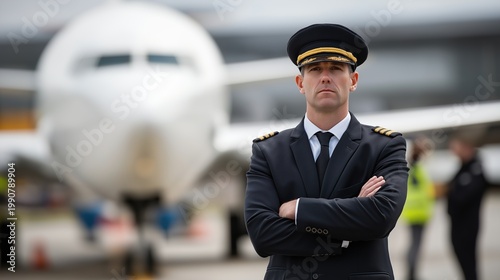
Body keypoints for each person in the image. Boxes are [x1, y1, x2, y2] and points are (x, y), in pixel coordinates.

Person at [244, 23, 409, 280]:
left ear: (353, 80)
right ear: (300, 83)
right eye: (314, 69)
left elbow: (381, 217)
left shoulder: (384, 146)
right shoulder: (268, 151)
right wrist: (345, 232)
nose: (325, 77)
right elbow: (262, 234)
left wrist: (298, 209)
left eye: (335, 68)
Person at [446, 135, 488, 280]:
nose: (455, 153)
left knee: (468, 261)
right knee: (462, 259)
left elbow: (461, 196)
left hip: (467, 225)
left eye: (457, 148)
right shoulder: (464, 167)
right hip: (458, 224)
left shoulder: (475, 168)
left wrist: (451, 192)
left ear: (467, 148)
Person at [401, 137, 435, 280]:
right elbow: (425, 189)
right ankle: (411, 274)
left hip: (413, 211)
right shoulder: (417, 167)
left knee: (413, 244)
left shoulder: (411, 166)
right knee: (415, 245)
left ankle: (411, 272)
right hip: (418, 212)